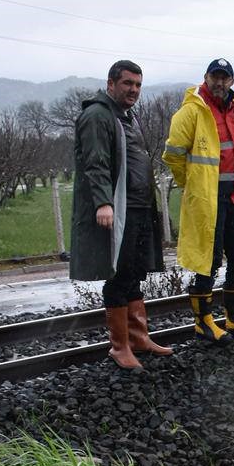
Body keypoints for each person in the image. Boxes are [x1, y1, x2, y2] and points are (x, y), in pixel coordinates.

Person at [69, 59, 172, 370]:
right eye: (128, 83)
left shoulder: (127, 116)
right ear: (111, 83)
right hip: (119, 209)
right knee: (118, 275)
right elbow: (96, 162)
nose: (134, 90)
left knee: (135, 273)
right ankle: (119, 346)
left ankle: (139, 337)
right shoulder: (97, 115)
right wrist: (104, 203)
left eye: (138, 85)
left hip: (139, 207)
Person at [162, 58, 234, 342]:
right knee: (207, 261)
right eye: (215, 77)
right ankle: (204, 321)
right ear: (206, 77)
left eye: (225, 78)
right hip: (208, 199)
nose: (219, 82)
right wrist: (193, 185)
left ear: (232, 81)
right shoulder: (191, 112)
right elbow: (172, 154)